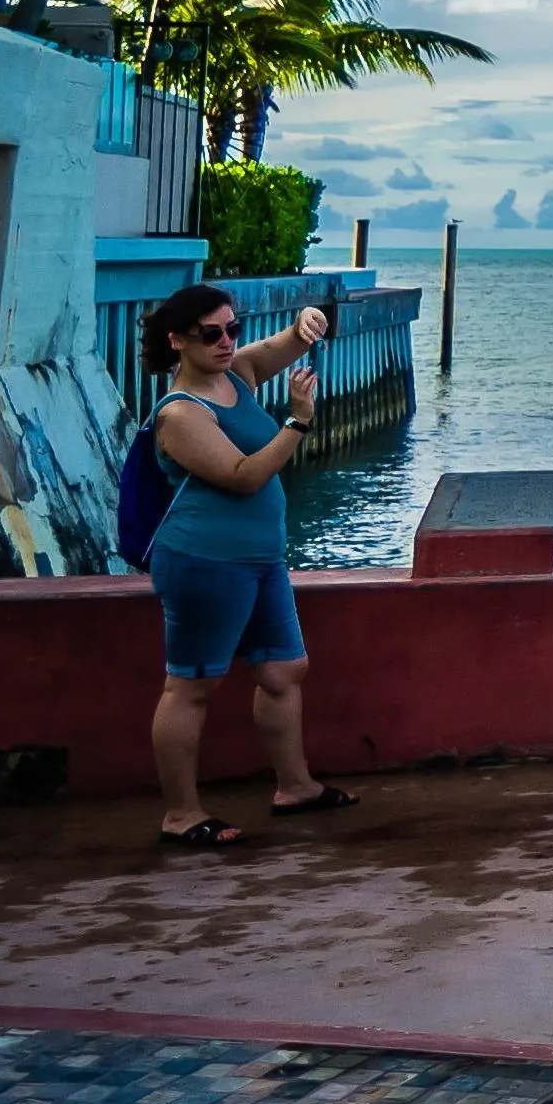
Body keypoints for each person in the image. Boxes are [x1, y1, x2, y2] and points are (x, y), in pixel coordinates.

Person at [139, 283, 354, 845]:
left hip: (262, 559)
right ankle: (181, 814)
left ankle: (296, 786)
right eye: (212, 333)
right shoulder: (181, 414)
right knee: (191, 685)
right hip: (203, 561)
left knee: (284, 670)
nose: (227, 341)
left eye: (232, 328)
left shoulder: (236, 376)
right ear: (178, 341)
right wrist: (299, 421)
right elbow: (244, 475)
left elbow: (284, 344)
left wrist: (308, 320)